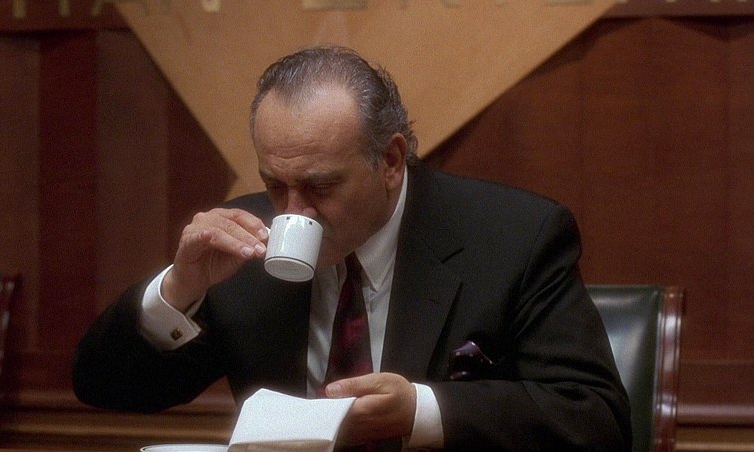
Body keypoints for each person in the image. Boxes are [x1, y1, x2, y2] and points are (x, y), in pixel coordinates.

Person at [74, 45, 631, 451]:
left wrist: (420, 411)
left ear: (390, 161)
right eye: (274, 184)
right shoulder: (244, 245)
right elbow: (107, 388)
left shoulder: (515, 235)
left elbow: (596, 420)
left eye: (320, 186)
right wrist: (178, 290)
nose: (294, 212)